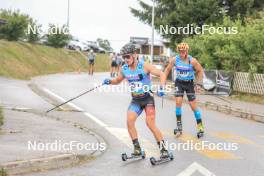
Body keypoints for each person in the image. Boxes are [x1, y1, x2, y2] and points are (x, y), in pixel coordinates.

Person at [103, 44, 169, 157]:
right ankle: (137, 149)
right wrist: (110, 81)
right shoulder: (124, 68)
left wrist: (162, 87)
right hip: (136, 100)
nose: (126, 59)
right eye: (124, 57)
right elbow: (118, 80)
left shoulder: (144, 66)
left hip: (147, 99)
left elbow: (161, 74)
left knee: (150, 124)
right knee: (129, 121)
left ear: (135, 55)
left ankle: (164, 150)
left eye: (128, 56)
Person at [164, 43, 205, 137]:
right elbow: (167, 70)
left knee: (193, 106)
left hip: (189, 83)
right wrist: (164, 81)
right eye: (180, 51)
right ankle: (179, 127)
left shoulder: (192, 61)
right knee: (178, 102)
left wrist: (198, 84)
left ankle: (200, 127)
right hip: (179, 83)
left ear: (187, 51)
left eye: (184, 51)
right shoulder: (175, 59)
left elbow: (200, 71)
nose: (182, 53)